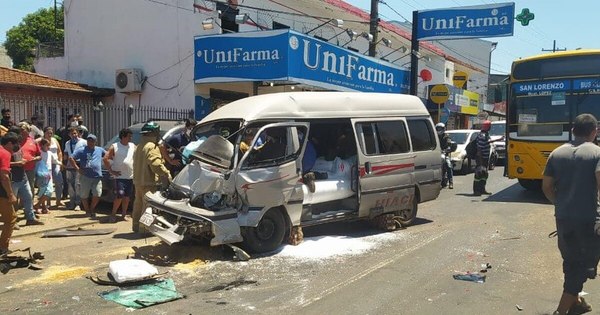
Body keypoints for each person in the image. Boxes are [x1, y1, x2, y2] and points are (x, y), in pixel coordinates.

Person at [542, 113, 600, 315]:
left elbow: (547, 187)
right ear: (594, 131)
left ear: (573, 130)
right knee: (581, 267)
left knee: (571, 261)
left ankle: (576, 303)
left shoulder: (556, 153)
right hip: (589, 220)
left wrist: (561, 204)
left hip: (564, 218)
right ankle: (561, 311)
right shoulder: (597, 153)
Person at [132, 121, 171, 234]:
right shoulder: (152, 147)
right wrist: (166, 173)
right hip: (149, 182)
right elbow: (155, 165)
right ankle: (145, 229)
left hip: (138, 181)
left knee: (138, 204)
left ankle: (136, 226)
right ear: (155, 133)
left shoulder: (140, 146)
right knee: (149, 207)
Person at [9, 126, 43, 226]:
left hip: (22, 175)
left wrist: (23, 162)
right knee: (13, 200)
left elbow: (37, 154)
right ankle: (12, 220)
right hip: (13, 178)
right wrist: (18, 163)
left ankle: (30, 218)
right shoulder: (7, 147)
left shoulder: (18, 146)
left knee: (28, 197)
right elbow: (5, 163)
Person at [69, 134, 105, 219]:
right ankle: (87, 210)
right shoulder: (81, 150)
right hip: (85, 176)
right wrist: (78, 169)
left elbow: (108, 155)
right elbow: (71, 158)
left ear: (95, 142)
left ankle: (92, 209)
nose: (90, 142)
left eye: (92, 140)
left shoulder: (99, 150)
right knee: (84, 195)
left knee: (97, 194)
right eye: (89, 140)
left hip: (97, 176)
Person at [103, 128, 136, 223]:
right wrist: (111, 171)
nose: (131, 138)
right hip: (119, 177)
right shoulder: (115, 146)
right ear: (123, 136)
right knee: (120, 195)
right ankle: (113, 214)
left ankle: (124, 215)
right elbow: (105, 158)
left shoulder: (132, 146)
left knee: (127, 197)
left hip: (130, 176)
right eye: (129, 136)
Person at [0, 133, 20, 255]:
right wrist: (11, 194)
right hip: (2, 193)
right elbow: (4, 177)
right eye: (15, 144)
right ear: (9, 143)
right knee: (11, 219)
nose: (16, 147)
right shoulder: (5, 154)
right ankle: (3, 247)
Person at [37, 127, 64, 208]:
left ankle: (58, 200)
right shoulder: (40, 141)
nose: (50, 134)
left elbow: (59, 151)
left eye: (51, 133)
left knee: (59, 181)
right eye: (48, 133)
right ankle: (47, 202)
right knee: (46, 183)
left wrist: (60, 162)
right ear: (44, 133)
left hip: (55, 163)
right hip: (45, 165)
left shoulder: (55, 140)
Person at [63, 127, 87, 210]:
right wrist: (64, 164)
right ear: (69, 135)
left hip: (79, 165)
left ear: (78, 133)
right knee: (70, 184)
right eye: (72, 133)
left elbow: (87, 152)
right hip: (70, 166)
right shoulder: (67, 143)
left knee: (78, 184)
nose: (74, 135)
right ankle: (71, 202)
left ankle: (78, 203)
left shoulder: (83, 142)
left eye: (75, 133)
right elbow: (66, 153)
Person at [33, 139, 59, 214]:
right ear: (42, 145)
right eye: (47, 145)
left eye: (49, 145)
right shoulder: (39, 153)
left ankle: (37, 205)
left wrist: (61, 164)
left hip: (49, 173)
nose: (49, 147)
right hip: (41, 173)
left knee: (49, 191)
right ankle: (43, 207)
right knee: (42, 190)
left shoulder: (50, 153)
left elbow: (55, 161)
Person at [17, 122, 41, 195]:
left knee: (30, 187)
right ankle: (19, 205)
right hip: (17, 169)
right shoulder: (16, 141)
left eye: (23, 130)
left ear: (28, 130)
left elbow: (39, 155)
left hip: (30, 169)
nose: (21, 132)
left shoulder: (33, 141)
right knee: (18, 189)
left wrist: (35, 159)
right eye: (20, 130)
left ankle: (29, 204)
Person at [473, 120, 492, 196]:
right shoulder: (482, 135)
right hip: (481, 158)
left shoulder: (486, 134)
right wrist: (480, 163)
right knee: (479, 174)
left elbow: (487, 142)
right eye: (490, 126)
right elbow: (479, 150)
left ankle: (482, 189)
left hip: (486, 158)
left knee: (484, 174)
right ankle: (476, 190)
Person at [436, 123, 454, 189]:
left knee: (448, 165)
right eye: (438, 129)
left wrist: (447, 149)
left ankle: (451, 182)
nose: (439, 130)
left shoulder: (446, 136)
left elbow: (449, 144)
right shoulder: (435, 137)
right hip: (436, 154)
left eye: (440, 129)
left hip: (444, 154)